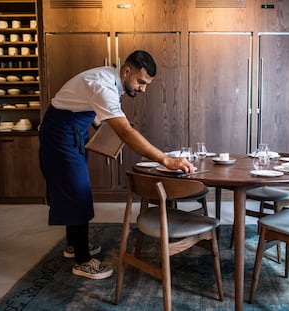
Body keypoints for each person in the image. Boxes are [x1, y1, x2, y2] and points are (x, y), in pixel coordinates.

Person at [39, 50, 194, 280]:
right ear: (126, 71)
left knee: (74, 189)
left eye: (147, 84)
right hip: (60, 137)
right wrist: (165, 159)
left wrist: (101, 131)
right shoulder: (103, 85)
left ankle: (73, 245)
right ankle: (82, 261)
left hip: (71, 134)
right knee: (78, 192)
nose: (143, 89)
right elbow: (125, 131)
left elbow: (88, 110)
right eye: (141, 82)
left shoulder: (109, 79)